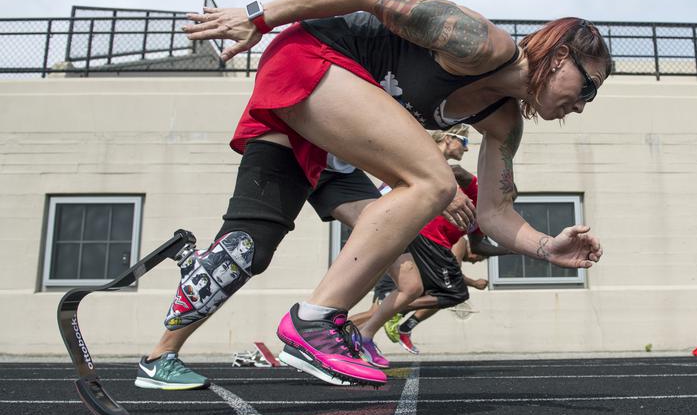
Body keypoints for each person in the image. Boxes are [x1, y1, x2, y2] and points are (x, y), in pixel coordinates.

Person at [169, 0, 608, 388]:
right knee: (434, 182)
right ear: (561, 57)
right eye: (588, 89)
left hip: (324, 108)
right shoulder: (478, 42)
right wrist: (257, 17)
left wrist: (548, 247)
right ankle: (315, 319)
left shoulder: (503, 121)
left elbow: (494, 213)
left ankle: (168, 353)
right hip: (310, 56)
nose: (584, 106)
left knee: (249, 245)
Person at [136, 127, 471, 389]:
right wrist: (440, 182)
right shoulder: (373, 50)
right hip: (292, 144)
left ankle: (342, 332)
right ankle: (160, 357)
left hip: (341, 166)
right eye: (464, 143)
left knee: (394, 241)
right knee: (244, 251)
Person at [350, 165, 510, 367]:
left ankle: (349, 335)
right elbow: (457, 170)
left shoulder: (483, 221)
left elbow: (479, 246)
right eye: (507, 203)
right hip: (426, 238)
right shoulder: (476, 191)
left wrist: (512, 249)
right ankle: (343, 332)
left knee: (414, 291)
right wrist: (450, 194)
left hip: (425, 244)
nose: (506, 212)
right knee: (453, 293)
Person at [381, 234, 493, 355]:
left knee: (442, 297)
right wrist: (474, 283)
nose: (474, 262)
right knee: (372, 315)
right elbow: (452, 276)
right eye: (479, 257)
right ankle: (397, 312)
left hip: (415, 272)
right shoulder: (460, 242)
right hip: (401, 272)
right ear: (475, 247)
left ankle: (405, 325)